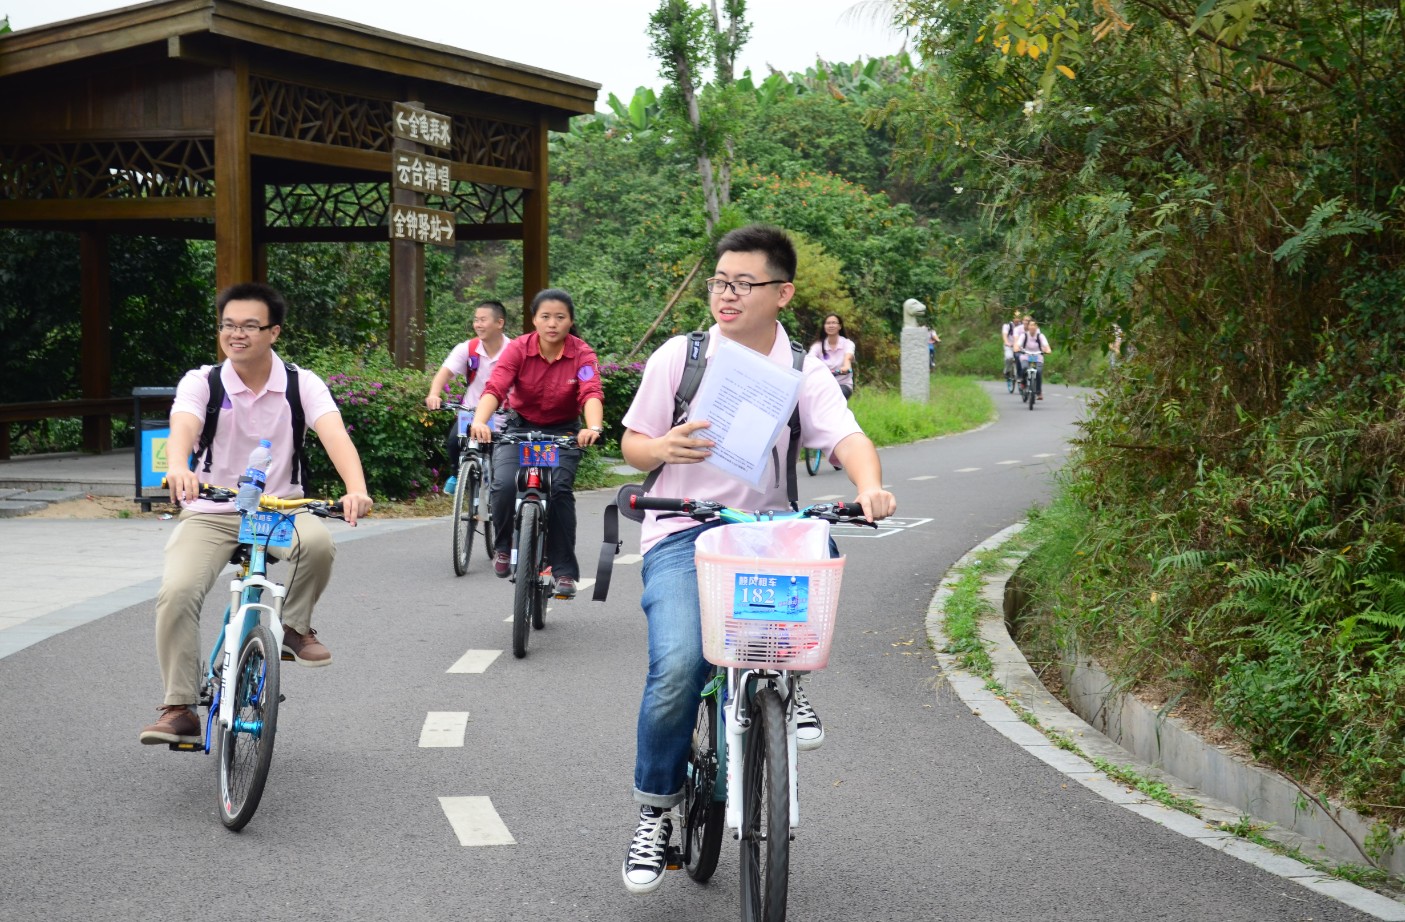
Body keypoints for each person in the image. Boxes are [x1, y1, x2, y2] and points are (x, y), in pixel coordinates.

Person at [616, 225, 897, 895]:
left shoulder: (802, 368)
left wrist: (870, 487)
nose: (728, 294)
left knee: (818, 542)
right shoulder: (681, 357)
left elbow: (847, 437)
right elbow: (632, 443)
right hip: (682, 530)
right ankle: (655, 813)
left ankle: (787, 683)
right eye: (720, 282)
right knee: (678, 665)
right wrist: (661, 450)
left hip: (764, 531)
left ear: (782, 293)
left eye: (744, 284)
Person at [140, 282, 374, 746]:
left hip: (279, 509)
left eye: (250, 326)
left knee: (319, 545)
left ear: (274, 332)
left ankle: (294, 628)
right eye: (228, 325)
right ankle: (179, 707)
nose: (237, 334)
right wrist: (179, 466)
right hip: (212, 509)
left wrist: (356, 489)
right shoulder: (203, 382)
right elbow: (183, 423)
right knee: (177, 591)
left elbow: (334, 434)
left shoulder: (301, 383)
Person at [469, 288, 604, 600]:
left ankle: (564, 570)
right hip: (520, 429)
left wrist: (593, 427)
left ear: (570, 321)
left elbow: (591, 391)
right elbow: (496, 387)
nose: (552, 323)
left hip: (562, 434)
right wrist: (480, 421)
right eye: (545, 317)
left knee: (558, 490)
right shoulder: (518, 349)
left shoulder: (582, 354)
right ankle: (504, 546)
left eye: (560, 317)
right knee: (504, 484)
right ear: (534, 320)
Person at [424, 300, 513, 494]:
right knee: (454, 442)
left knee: (503, 460)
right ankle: (458, 474)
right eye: (476, 320)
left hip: (504, 414)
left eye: (483, 320)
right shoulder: (468, 348)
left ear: (499, 323)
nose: (478, 325)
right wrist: (434, 394)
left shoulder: (515, 351)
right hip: (472, 411)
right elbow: (444, 373)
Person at [809, 313, 856, 398]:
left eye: (834, 323)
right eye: (828, 323)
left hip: (842, 385)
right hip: (822, 385)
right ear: (824, 326)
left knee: (831, 397)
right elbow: (809, 361)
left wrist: (845, 367)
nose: (831, 325)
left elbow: (848, 359)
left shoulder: (848, 344)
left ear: (840, 326)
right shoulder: (817, 346)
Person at [1016, 318, 1052, 399]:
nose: (1032, 327)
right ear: (1028, 326)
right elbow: (1018, 345)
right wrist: (1017, 348)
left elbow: (1046, 346)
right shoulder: (1024, 335)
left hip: (1037, 356)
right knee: (1024, 367)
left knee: (1038, 372)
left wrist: (1048, 350)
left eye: (1034, 325)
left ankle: (1039, 392)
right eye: (1031, 325)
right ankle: (1023, 383)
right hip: (1026, 355)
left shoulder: (1040, 336)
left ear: (1037, 327)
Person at [1001, 309, 1023, 383]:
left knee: (1022, 359)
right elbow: (1004, 335)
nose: (1017, 319)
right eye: (1015, 317)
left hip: (1019, 346)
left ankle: (1021, 375)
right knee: (1009, 357)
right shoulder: (1007, 325)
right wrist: (1007, 342)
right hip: (1009, 346)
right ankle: (1007, 371)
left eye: (1018, 317)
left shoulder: (1022, 326)